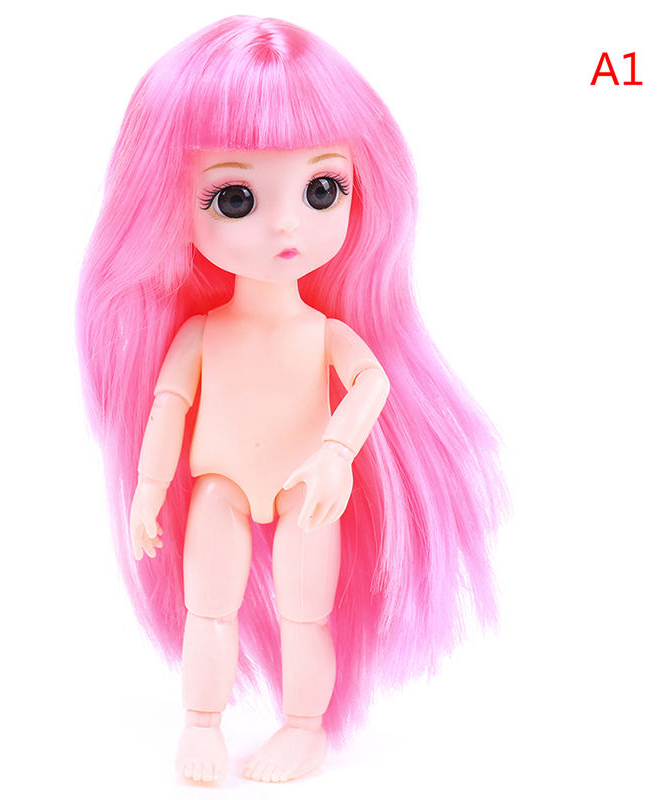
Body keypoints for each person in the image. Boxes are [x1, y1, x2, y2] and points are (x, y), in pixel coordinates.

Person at [76, 16, 506, 783]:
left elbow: (372, 382)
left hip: (308, 485)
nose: (285, 224)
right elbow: (168, 406)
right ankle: (202, 723)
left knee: (307, 616)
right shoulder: (201, 332)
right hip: (219, 484)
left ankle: (304, 728)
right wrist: (147, 488)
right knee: (209, 608)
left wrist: (337, 453)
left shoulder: (325, 332)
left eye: (321, 190)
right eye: (235, 197)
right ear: (165, 204)